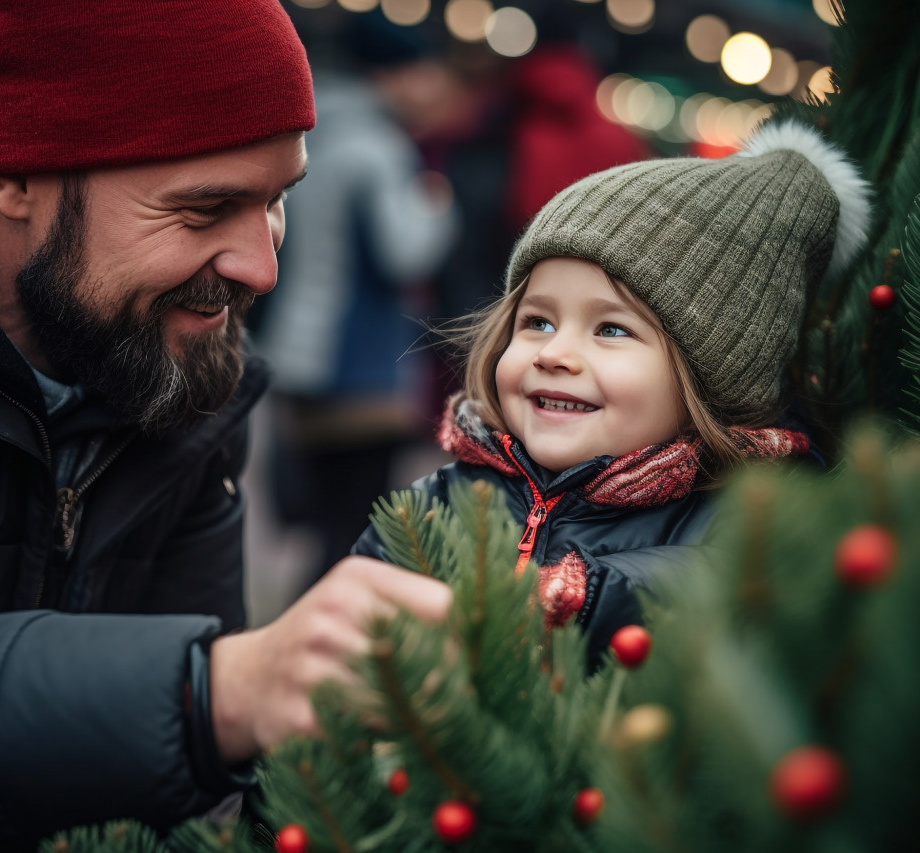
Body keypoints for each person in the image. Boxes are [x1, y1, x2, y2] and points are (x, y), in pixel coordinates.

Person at [0, 1, 450, 851]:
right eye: (203, 208)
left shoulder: (179, 367)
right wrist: (217, 691)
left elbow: (177, 811)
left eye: (276, 199)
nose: (260, 266)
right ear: (13, 174)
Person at [354, 119, 870, 665]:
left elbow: (730, 590)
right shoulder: (437, 501)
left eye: (612, 330)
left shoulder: (746, 521)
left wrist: (586, 598)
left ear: (708, 375)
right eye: (538, 322)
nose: (553, 354)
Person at [256, 11, 458, 585]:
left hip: (302, 350)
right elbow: (407, 251)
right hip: (360, 364)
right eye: (422, 70)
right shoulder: (377, 147)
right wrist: (437, 204)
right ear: (390, 75)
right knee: (353, 528)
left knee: (322, 521)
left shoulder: (309, 133)